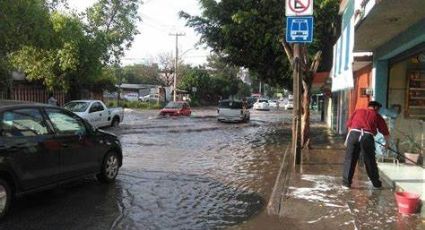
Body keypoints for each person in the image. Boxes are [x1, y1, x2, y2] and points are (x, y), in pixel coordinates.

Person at [342, 101, 390, 189]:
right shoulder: (376, 115)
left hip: (353, 134)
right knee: (370, 161)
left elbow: (349, 125)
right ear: (375, 107)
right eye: (378, 109)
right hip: (367, 137)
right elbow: (385, 132)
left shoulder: (358, 111)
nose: (378, 111)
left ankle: (346, 183)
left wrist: (348, 139)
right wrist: (387, 144)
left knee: (350, 159)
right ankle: (376, 184)